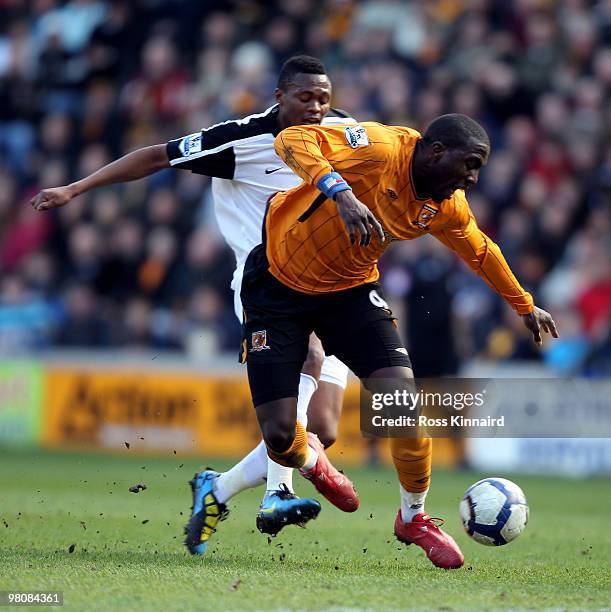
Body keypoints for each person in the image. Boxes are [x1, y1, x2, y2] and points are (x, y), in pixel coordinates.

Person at [30, 56, 359, 555]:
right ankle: (278, 492)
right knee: (308, 358)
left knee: (321, 432)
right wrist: (77, 188)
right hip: (267, 286)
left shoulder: (344, 133)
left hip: (334, 283)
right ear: (279, 98)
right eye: (304, 97)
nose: (316, 108)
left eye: (323, 98)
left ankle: (217, 489)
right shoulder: (241, 140)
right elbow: (156, 155)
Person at [239, 113, 559, 569]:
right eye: (469, 164)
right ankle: (312, 461)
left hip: (349, 293)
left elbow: (480, 250)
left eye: (479, 168)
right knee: (278, 436)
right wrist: (340, 193)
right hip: (277, 286)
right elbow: (291, 138)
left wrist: (525, 305)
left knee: (402, 407)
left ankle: (413, 517)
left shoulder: (446, 205)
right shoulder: (378, 148)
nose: (472, 177)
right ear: (435, 153)